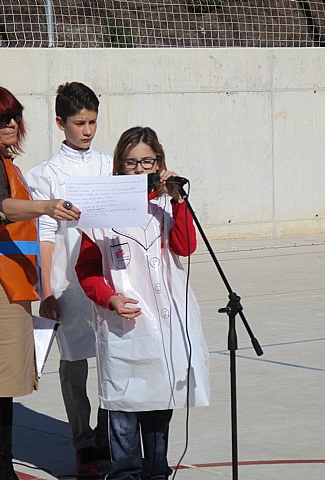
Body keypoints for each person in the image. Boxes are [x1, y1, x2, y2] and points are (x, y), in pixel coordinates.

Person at [0, 84, 80, 480]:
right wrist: (46, 205)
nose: (11, 123)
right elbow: (0, 205)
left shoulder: (0, 161)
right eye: (0, 118)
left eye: (15, 114)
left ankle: (1, 471)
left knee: (2, 382)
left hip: (6, 285)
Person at [75, 126, 210, 480]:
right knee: (123, 413)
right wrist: (111, 298)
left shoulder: (165, 208)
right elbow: (87, 269)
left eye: (147, 162)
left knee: (157, 412)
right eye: (131, 163)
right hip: (123, 329)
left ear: (159, 164)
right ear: (119, 167)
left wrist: (178, 198)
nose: (139, 170)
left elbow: (185, 247)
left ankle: (157, 473)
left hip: (162, 330)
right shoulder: (100, 213)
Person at [24, 81, 112, 477]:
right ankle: (83, 442)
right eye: (79, 122)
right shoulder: (44, 175)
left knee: (115, 357)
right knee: (74, 362)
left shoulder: (110, 164)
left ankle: (111, 434)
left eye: (93, 121)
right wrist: (45, 290)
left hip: (110, 277)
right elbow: (42, 235)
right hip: (66, 281)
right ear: (61, 123)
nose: (88, 130)